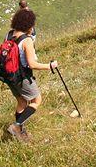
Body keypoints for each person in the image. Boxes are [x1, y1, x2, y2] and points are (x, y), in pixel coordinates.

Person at [5, 8, 58, 142]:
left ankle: (20, 134)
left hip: (10, 76)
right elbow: (32, 64)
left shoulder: (9, 35)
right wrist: (49, 66)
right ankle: (16, 126)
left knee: (22, 101)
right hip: (22, 76)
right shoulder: (26, 40)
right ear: (28, 25)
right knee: (36, 100)